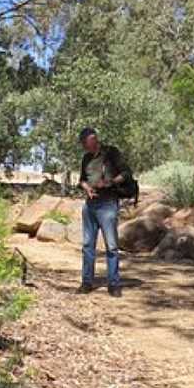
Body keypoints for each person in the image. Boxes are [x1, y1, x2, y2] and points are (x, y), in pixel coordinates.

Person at [77, 127, 131, 297]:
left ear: (93, 139)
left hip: (108, 205)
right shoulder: (86, 158)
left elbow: (126, 173)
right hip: (90, 206)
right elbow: (82, 180)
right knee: (87, 245)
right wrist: (87, 188)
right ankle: (86, 282)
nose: (86, 148)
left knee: (112, 246)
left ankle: (114, 284)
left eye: (87, 144)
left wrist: (109, 183)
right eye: (84, 146)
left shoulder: (111, 153)